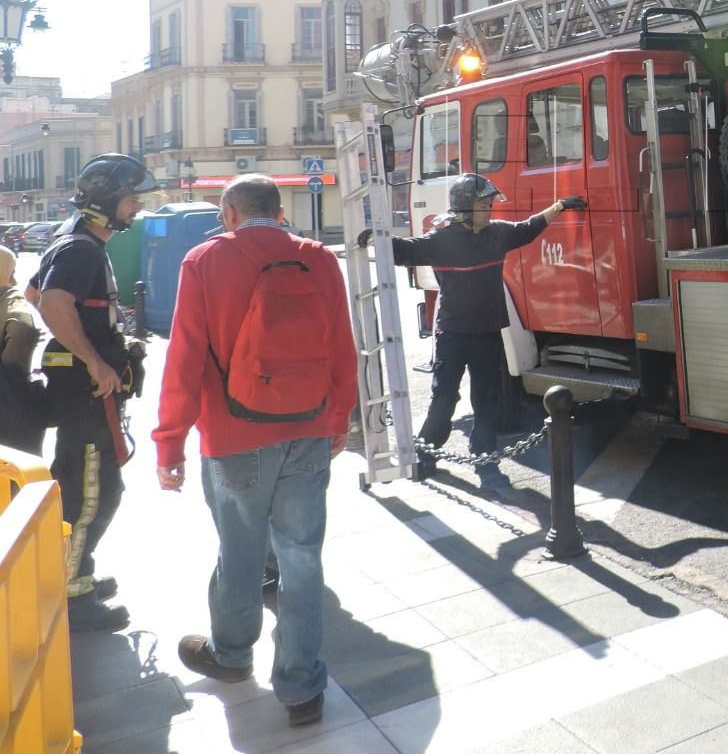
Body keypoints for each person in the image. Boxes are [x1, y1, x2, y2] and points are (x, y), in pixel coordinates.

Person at [153, 175, 357, 729]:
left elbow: (186, 356)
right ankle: (301, 687)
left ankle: (232, 656)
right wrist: (338, 419)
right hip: (309, 427)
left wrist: (170, 439)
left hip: (234, 435)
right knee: (302, 558)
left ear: (229, 213)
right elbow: (343, 343)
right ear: (281, 209)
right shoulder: (318, 259)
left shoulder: (204, 261)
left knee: (240, 552)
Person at [365, 173, 582, 488]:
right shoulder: (442, 240)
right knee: (444, 397)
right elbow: (404, 250)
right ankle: (426, 454)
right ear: (465, 206)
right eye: (484, 203)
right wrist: (375, 237)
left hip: (489, 332)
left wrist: (559, 206)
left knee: (486, 399)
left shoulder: (497, 235)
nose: (490, 208)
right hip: (452, 334)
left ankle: (485, 458)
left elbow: (529, 228)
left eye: (490, 202)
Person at [36, 153, 155, 632]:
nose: (136, 206)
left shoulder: (75, 240)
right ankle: (72, 592)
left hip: (83, 394)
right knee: (91, 494)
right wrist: (94, 358)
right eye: (130, 198)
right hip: (85, 394)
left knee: (90, 487)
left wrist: (101, 336)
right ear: (108, 199)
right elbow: (50, 302)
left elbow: (31, 291)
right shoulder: (82, 248)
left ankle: (74, 571)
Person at [0, 245, 46, 455]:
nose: (15, 281)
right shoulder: (8, 298)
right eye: (12, 273)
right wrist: (11, 377)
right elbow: (24, 328)